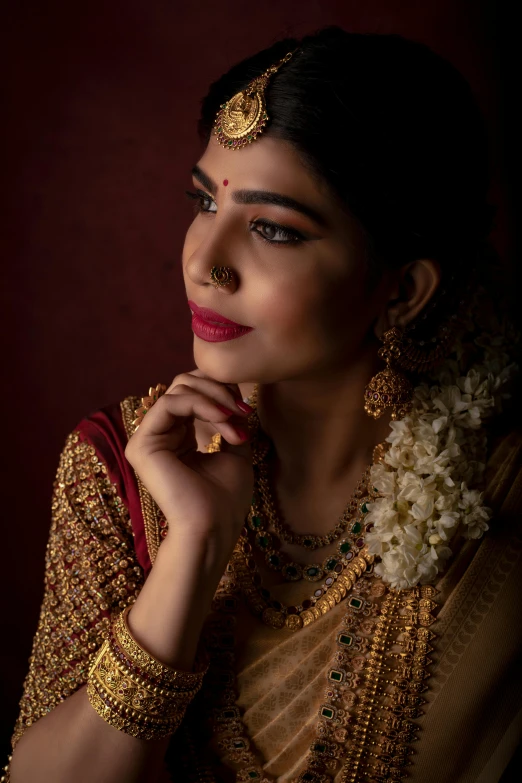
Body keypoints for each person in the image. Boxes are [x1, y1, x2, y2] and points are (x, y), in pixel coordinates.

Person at [5, 26, 521, 783]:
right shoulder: (120, 467)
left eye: (273, 228)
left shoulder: (499, 490)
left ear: (403, 289)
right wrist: (191, 550)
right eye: (202, 200)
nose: (205, 262)